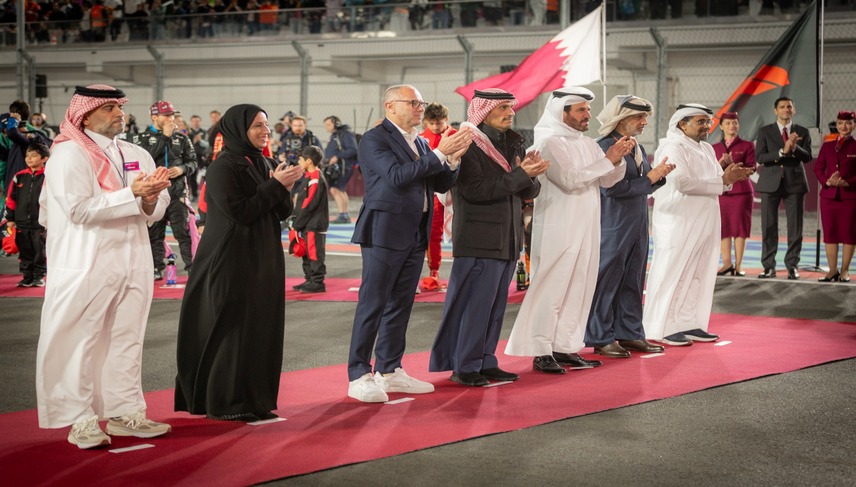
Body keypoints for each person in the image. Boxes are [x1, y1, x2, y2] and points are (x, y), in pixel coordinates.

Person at [36, 84, 172, 449]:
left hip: (133, 258)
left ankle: (125, 412)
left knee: (127, 338)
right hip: (84, 261)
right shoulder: (68, 155)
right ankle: (80, 420)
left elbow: (155, 210)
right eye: (109, 107)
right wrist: (134, 194)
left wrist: (151, 198)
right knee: (80, 341)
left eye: (119, 106)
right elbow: (77, 210)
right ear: (85, 114)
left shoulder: (136, 153)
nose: (118, 113)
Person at [175, 104, 303, 422]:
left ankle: (252, 398)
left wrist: (283, 186)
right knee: (230, 328)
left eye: (267, 125)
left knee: (259, 328)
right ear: (238, 129)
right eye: (258, 125)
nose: (265, 131)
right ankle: (224, 401)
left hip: (261, 256)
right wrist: (276, 185)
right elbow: (240, 212)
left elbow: (282, 210)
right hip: (230, 257)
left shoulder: (264, 161)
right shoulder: (223, 167)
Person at [347, 84, 472, 402]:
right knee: (373, 303)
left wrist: (453, 160)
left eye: (421, 102)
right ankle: (359, 374)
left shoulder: (417, 140)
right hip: (384, 231)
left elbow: (437, 181)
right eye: (413, 102)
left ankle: (389, 370)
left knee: (400, 304)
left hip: (414, 230)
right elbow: (397, 176)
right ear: (390, 106)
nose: (420, 107)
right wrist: (441, 153)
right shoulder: (375, 139)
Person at [504, 88, 629, 373]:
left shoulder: (585, 143)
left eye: (587, 109)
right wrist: (607, 159)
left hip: (586, 224)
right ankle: (540, 349)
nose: (588, 115)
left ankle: (565, 346)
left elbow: (607, 180)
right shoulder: (549, 142)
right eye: (581, 110)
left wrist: (617, 160)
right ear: (564, 113)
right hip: (558, 226)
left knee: (579, 286)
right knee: (552, 287)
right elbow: (569, 180)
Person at [429, 89, 547, 386]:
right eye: (503, 107)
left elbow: (526, 193)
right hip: (479, 237)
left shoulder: (511, 142)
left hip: (507, 237)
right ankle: (465, 366)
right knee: (474, 306)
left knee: (494, 308)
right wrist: (521, 175)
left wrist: (531, 176)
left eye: (511, 106)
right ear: (484, 111)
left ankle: (485, 361)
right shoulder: (468, 143)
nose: (510, 112)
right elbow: (474, 190)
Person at [643, 104, 754, 346]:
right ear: (682, 124)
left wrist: (728, 180)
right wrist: (722, 180)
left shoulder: (705, 148)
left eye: (707, 122)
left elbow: (718, 181)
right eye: (700, 122)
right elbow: (683, 183)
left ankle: (688, 323)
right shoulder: (672, 146)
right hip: (678, 220)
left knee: (698, 272)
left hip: (705, 219)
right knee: (674, 272)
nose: (706, 126)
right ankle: (661, 327)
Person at [584, 95, 673, 359]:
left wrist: (657, 177)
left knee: (633, 279)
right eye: (639, 117)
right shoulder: (603, 147)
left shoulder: (637, 147)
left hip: (636, 222)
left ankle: (631, 332)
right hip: (613, 223)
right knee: (608, 280)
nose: (645, 122)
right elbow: (611, 190)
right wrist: (650, 179)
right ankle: (600, 336)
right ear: (622, 119)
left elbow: (642, 184)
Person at [132, 101, 197, 279]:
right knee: (155, 233)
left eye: (172, 115)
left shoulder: (182, 138)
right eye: (166, 115)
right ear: (154, 117)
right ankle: (156, 268)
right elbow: (147, 157)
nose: (171, 118)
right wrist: (165, 137)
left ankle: (192, 267)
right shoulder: (140, 138)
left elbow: (193, 162)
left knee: (183, 232)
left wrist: (182, 169)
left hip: (177, 192)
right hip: (154, 193)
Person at [755, 96, 812, 280]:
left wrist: (794, 147)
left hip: (794, 183)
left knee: (795, 227)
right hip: (770, 183)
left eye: (789, 106)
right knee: (768, 226)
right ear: (775, 110)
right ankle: (768, 266)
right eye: (782, 107)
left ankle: (792, 265)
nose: (786, 109)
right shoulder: (765, 131)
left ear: (793, 110)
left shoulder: (802, 131)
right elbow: (761, 157)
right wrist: (782, 152)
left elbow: (808, 157)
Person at [813, 110, 856, 283]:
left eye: (848, 123)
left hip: (850, 197)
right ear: (836, 125)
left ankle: (844, 271)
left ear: (853, 125)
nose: (843, 126)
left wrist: (847, 183)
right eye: (840, 123)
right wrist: (828, 182)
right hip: (829, 197)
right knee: (830, 233)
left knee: (849, 234)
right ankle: (832, 271)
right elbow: (818, 168)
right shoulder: (827, 146)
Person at [713, 111, 756, 277]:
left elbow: (752, 168)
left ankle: (739, 265)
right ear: (722, 126)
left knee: (739, 229)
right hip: (722, 192)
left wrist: (733, 164)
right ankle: (727, 264)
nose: (732, 126)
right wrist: (721, 163)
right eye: (728, 123)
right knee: (723, 228)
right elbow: (711, 170)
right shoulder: (714, 148)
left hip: (741, 193)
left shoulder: (747, 145)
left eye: (735, 123)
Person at [418, 102, 456, 292]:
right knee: (432, 233)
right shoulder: (420, 138)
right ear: (425, 122)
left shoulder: (455, 135)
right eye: (431, 123)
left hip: (454, 191)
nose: (435, 127)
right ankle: (434, 271)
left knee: (458, 230)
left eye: (439, 123)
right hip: (432, 193)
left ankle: (460, 270)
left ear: (446, 120)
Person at [4, 142, 49, 287]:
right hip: (21, 222)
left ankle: (39, 276)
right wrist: (10, 219)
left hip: (40, 222)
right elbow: (11, 198)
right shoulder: (19, 177)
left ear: (44, 158)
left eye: (34, 155)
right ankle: (27, 276)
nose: (29, 159)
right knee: (24, 251)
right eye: (27, 156)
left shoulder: (48, 177)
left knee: (39, 251)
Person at [290, 145, 329, 293]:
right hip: (308, 224)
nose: (298, 162)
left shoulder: (315, 179)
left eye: (300, 159)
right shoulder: (309, 177)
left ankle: (317, 282)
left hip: (314, 224)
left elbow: (309, 204)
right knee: (307, 253)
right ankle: (309, 280)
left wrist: (297, 224)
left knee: (314, 254)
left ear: (309, 161)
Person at [323, 115, 358, 224]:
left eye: (328, 124)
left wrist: (337, 156)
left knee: (335, 189)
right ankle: (344, 214)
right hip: (338, 166)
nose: (327, 127)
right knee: (340, 189)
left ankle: (343, 214)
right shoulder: (336, 135)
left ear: (336, 124)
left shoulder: (345, 134)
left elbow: (353, 149)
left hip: (343, 166)